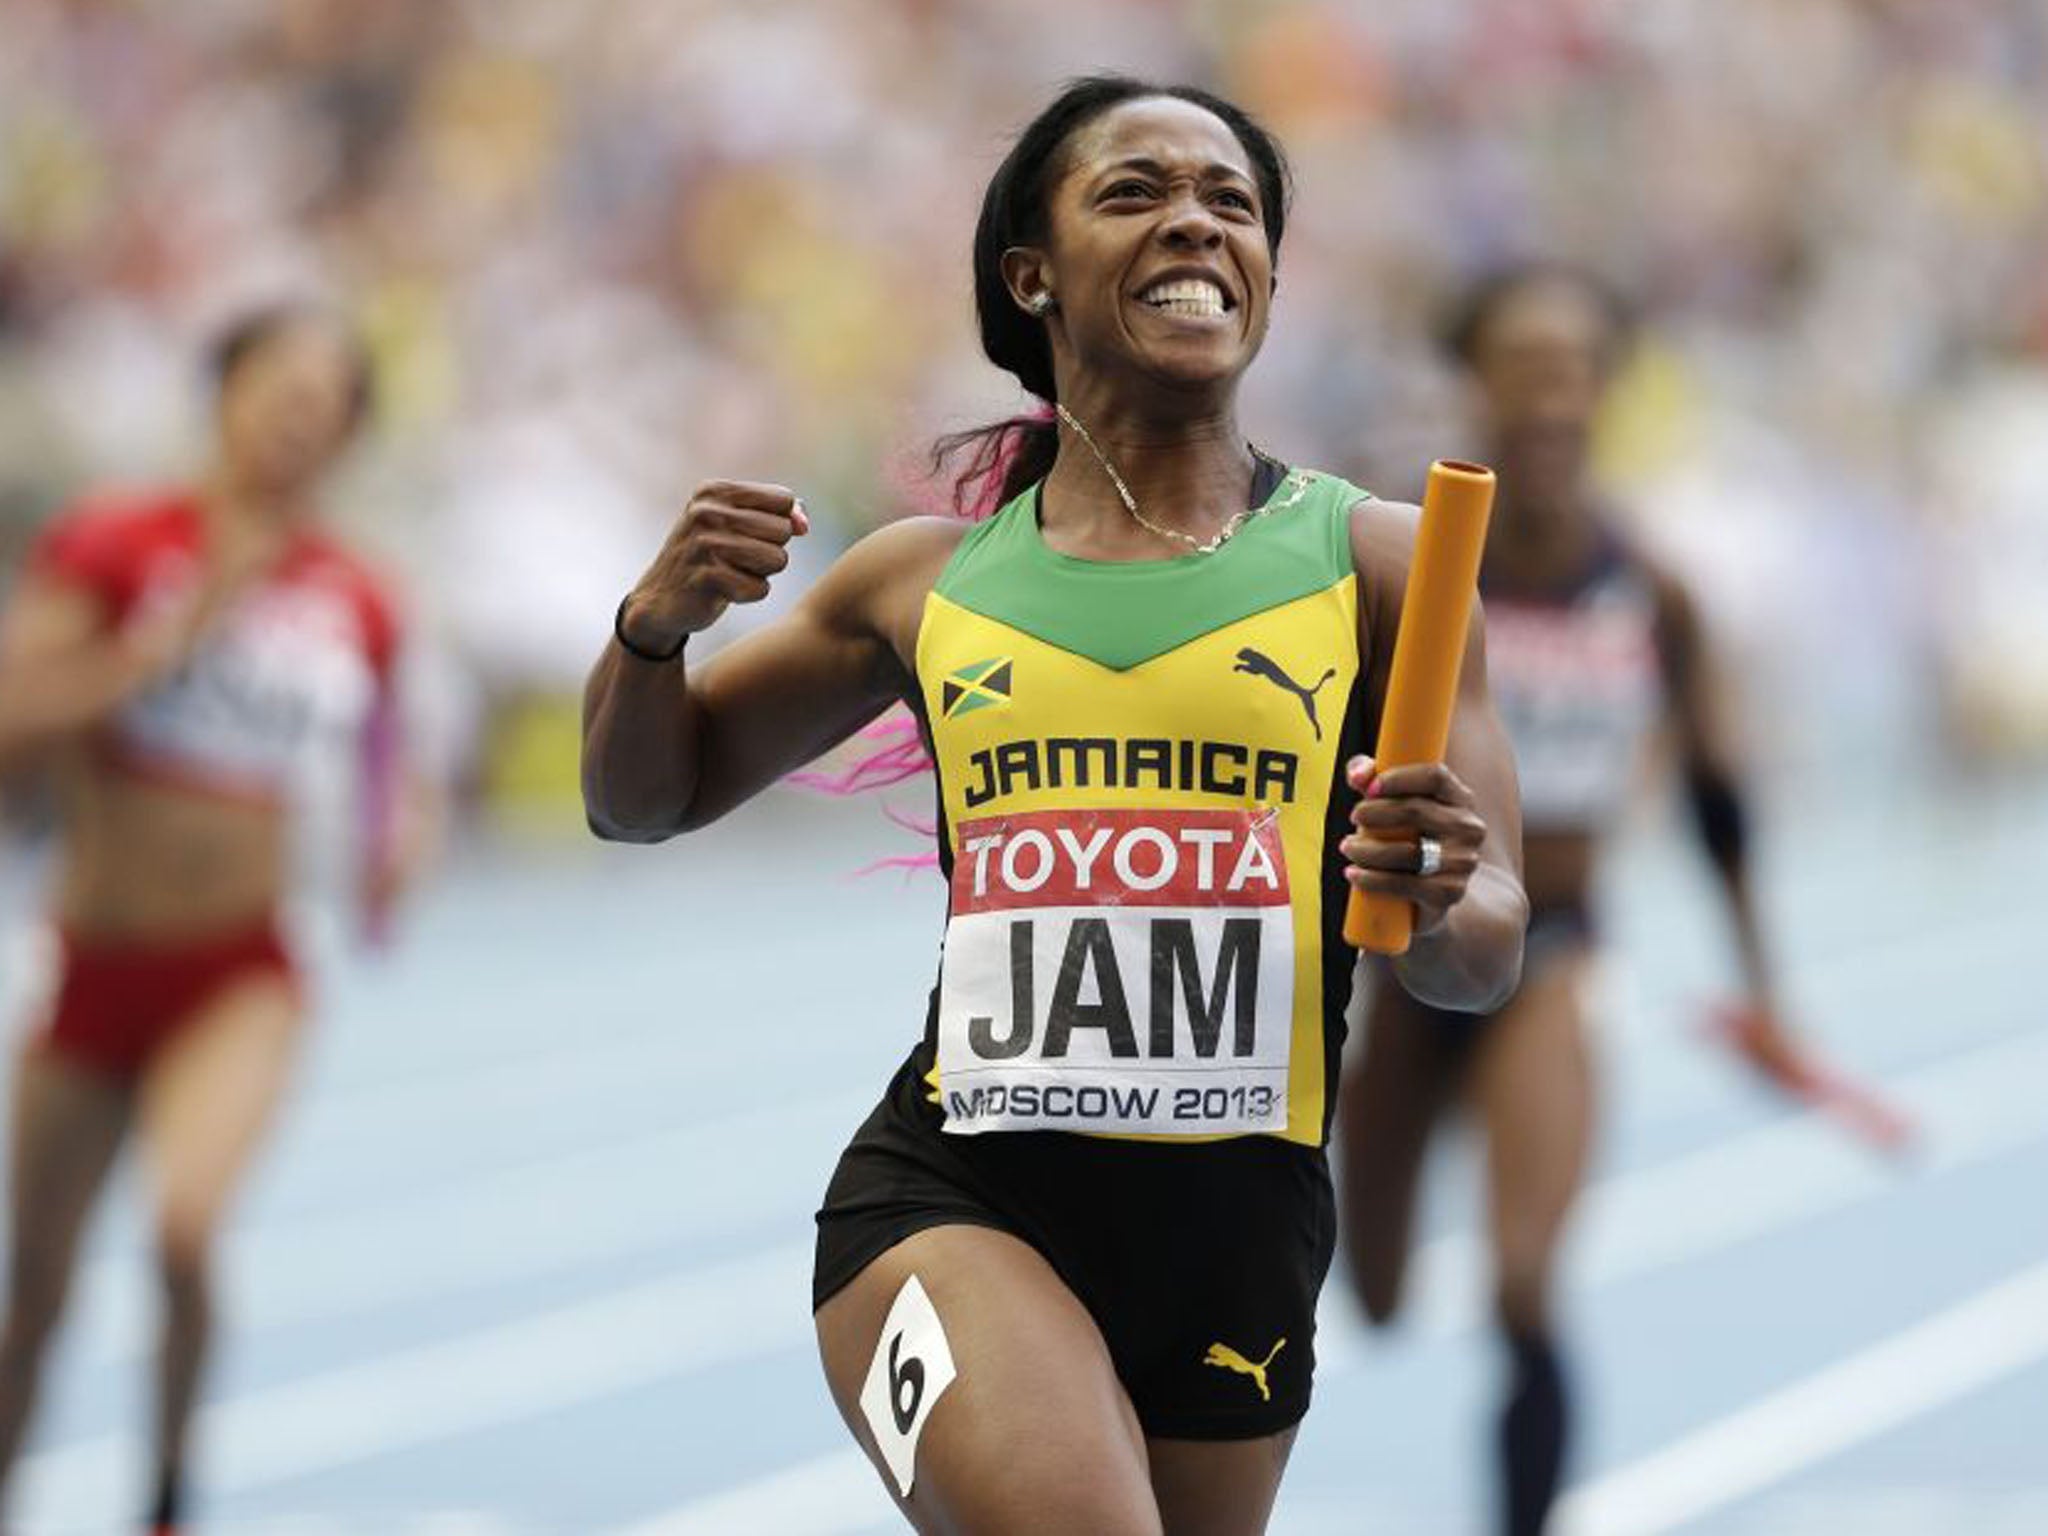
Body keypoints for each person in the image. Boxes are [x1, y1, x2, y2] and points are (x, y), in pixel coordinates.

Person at [583, 76, 1526, 1535]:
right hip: (954, 1202)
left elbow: (1485, 957)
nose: (1197, 224)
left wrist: (1453, 891)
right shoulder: (919, 581)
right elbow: (644, 800)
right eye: (1136, 191)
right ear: (1032, 273)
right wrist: (651, 632)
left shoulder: (1388, 564)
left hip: (1241, 1238)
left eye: (1234, 203)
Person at [1334, 263, 1885, 1536]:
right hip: (1402, 957)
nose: (1548, 396)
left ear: (1607, 390)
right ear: (1469, 382)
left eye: (1574, 368)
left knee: (1525, 1284)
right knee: (1368, 1296)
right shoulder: (1388, 567)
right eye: (1519, 366)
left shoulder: (1653, 589)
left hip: (1554, 952)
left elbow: (1715, 801)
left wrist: (1766, 993)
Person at [0, 306, 409, 1535]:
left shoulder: (357, 595)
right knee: (35, 1295)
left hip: (240, 968)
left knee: (184, 1230)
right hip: (92, 961)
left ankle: (167, 1503)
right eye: (278, 386)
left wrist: (401, 844)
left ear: (346, 436)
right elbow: (16, 714)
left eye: (325, 402)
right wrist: (159, 649)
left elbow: (393, 767)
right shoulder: (116, 541)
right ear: (221, 391)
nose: (297, 417)